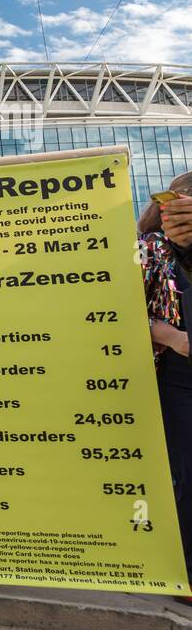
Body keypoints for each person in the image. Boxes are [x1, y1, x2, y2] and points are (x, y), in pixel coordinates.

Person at [143, 176, 192, 592]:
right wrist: (175, 339)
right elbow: (123, 310)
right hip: (178, 379)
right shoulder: (150, 248)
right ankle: (184, 575)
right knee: (187, 474)